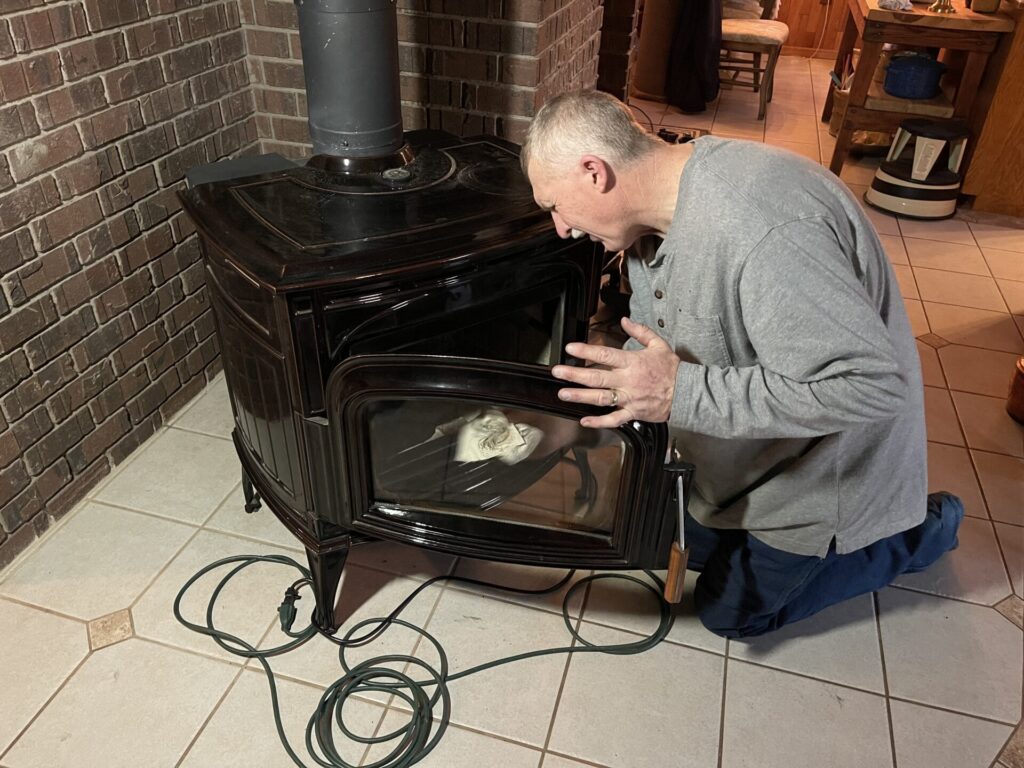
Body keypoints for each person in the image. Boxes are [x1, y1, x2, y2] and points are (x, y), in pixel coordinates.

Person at [521, 89, 963, 638]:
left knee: (731, 614)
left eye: (554, 207)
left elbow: (870, 386)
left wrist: (678, 395)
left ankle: (919, 529)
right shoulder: (649, 220)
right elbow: (658, 344)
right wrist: (581, 411)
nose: (562, 227)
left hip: (818, 485)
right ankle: (741, 524)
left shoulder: (762, 226)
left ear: (594, 172)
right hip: (741, 461)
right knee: (651, 540)